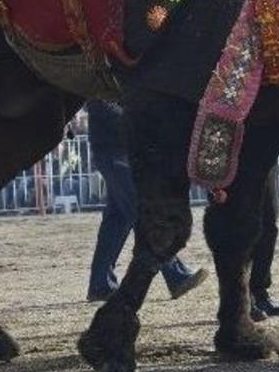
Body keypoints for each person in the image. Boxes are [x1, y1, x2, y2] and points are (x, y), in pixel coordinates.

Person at [85, 100, 208, 302]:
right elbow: (111, 111)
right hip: (114, 151)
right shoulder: (102, 91)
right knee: (143, 214)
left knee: (116, 221)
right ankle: (175, 274)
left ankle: (100, 284)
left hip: (118, 151)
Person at [250, 140, 279, 321]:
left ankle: (259, 294)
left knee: (268, 227)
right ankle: (240, 299)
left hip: (265, 152)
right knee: (239, 227)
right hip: (236, 152)